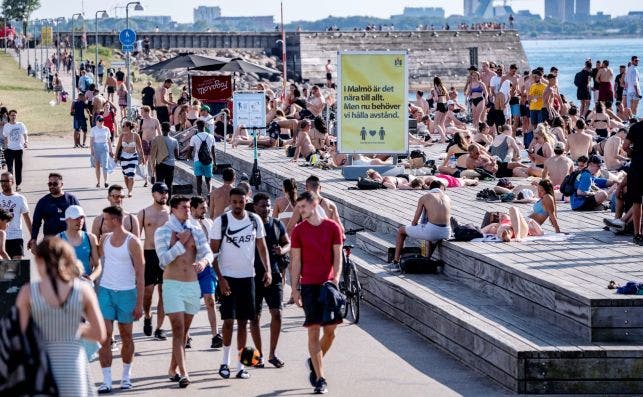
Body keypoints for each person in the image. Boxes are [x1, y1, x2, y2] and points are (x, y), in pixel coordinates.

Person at [15, 237, 106, 397]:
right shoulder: (82, 290)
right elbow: (99, 334)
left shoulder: (28, 292)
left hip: (41, 368)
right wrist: (72, 327)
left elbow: (20, 335)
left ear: (39, 260)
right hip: (73, 365)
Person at [210, 188, 271, 380]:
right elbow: (212, 254)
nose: (237, 205)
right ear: (230, 201)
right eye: (234, 202)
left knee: (244, 322)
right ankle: (224, 363)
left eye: (241, 202)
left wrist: (268, 270)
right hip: (227, 278)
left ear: (246, 201)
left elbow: (262, 247)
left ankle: (241, 366)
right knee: (228, 322)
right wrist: (220, 278)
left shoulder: (254, 220)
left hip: (248, 278)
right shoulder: (221, 222)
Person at [155, 195, 214, 387]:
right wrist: (181, 244)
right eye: (183, 207)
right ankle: (184, 373)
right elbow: (163, 260)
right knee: (178, 329)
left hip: (192, 285)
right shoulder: (163, 231)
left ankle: (172, 368)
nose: (188, 210)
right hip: (172, 284)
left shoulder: (195, 228)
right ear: (173, 209)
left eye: (189, 207)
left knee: (184, 332)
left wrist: (204, 262)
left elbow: (207, 251)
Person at [289, 191, 343, 394]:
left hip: (328, 285)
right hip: (309, 285)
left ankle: (313, 361)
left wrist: (336, 278)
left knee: (331, 332)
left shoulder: (332, 227)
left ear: (314, 205)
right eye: (298, 207)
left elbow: (338, 256)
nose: (300, 210)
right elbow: (296, 261)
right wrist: (295, 288)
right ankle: (320, 379)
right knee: (313, 330)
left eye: (303, 206)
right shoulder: (298, 231)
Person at [96, 205, 145, 393]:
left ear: (115, 220)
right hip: (106, 291)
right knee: (105, 337)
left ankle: (126, 377)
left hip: (127, 293)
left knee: (126, 336)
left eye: (105, 219)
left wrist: (139, 303)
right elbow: (97, 262)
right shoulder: (105, 239)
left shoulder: (133, 242)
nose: (103, 222)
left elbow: (140, 274)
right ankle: (106, 381)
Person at [250, 193, 290, 368]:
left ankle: (272, 353)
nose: (266, 209)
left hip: (274, 275)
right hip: (252, 276)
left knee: (277, 314)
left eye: (268, 205)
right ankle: (258, 355)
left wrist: (282, 250)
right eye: (262, 205)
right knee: (255, 317)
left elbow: (287, 243)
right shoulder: (248, 225)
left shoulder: (276, 224)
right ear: (254, 207)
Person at [188, 196, 223, 349]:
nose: (205, 210)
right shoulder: (187, 225)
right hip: (191, 268)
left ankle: (215, 335)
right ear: (193, 209)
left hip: (207, 266)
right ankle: (186, 336)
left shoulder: (209, 222)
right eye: (202, 208)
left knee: (210, 299)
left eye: (205, 207)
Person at [137, 182, 171, 340]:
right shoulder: (144, 213)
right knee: (148, 293)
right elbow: (136, 239)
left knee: (164, 293)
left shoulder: (171, 213)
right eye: (160, 192)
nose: (164, 195)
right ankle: (148, 316)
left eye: (166, 192)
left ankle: (159, 328)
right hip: (149, 255)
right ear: (153, 194)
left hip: (166, 256)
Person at [392, 181, 451, 264]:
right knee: (430, 229)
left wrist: (415, 225)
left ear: (431, 188)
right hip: (446, 232)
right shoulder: (447, 198)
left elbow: (415, 221)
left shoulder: (425, 197)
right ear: (442, 188)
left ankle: (395, 261)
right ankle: (427, 259)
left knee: (401, 231)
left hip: (432, 232)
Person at [29, 173, 80, 251]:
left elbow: (80, 220)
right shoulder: (43, 202)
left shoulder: (71, 199)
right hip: (50, 243)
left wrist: (84, 240)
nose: (52, 186)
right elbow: (36, 223)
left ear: (62, 184)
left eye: (55, 184)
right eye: (50, 184)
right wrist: (33, 240)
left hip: (69, 242)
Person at [58, 205, 101, 282]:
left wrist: (91, 278)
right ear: (67, 220)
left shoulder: (91, 238)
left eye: (81, 218)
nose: (80, 221)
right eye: (76, 218)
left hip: (86, 286)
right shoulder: (58, 239)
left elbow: (98, 266)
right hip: (66, 286)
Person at [0, 171, 32, 259]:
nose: (3, 183)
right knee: (4, 270)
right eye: (1, 181)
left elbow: (27, 219)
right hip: (1, 237)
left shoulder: (20, 198)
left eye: (6, 181)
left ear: (13, 182)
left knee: (17, 268)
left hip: (16, 237)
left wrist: (33, 237)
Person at [623, 120, 643, 245]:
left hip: (637, 166)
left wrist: (632, 154)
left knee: (637, 201)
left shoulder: (636, 127)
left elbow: (625, 146)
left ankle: (637, 234)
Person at [114, 120, 145, 197]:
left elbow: (140, 148)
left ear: (128, 127)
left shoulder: (136, 135)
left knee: (131, 174)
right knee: (125, 176)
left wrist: (143, 158)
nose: (122, 127)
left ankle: (130, 191)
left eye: (124, 126)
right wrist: (115, 157)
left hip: (133, 157)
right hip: (123, 157)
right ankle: (128, 189)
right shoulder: (122, 135)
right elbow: (118, 147)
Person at [150, 122, 179, 199]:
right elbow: (177, 155)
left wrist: (152, 172)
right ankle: (168, 202)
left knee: (159, 184)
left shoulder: (157, 139)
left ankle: (160, 200)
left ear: (162, 130)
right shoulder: (174, 141)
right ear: (169, 130)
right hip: (171, 165)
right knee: (169, 184)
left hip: (160, 165)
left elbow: (153, 155)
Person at [189, 120, 216, 197]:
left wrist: (188, 157)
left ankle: (199, 196)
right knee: (209, 179)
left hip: (197, 160)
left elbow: (190, 150)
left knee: (199, 180)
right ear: (205, 126)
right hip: (208, 161)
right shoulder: (211, 136)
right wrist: (215, 163)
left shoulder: (194, 137)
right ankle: (209, 193)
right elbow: (213, 151)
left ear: (197, 127)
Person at [2, 109, 28, 191]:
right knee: (10, 169)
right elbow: (5, 137)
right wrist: (5, 147)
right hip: (9, 150)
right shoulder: (6, 126)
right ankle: (10, 185)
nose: (13, 117)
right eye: (12, 115)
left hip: (19, 149)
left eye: (15, 115)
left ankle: (18, 185)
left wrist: (26, 142)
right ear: (9, 116)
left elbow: (25, 134)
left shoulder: (20, 125)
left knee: (18, 168)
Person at [139, 106, 162, 187]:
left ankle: (153, 176)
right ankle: (145, 180)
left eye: (142, 112)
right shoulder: (141, 121)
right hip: (144, 142)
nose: (141, 114)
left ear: (147, 112)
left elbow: (159, 133)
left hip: (153, 142)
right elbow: (139, 133)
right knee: (144, 161)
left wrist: (160, 143)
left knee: (153, 162)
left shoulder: (155, 120)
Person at [90, 115, 113, 188]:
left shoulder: (106, 129)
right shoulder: (93, 129)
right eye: (100, 120)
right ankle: (98, 182)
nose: (101, 122)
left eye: (102, 120)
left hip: (104, 147)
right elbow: (91, 141)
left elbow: (109, 140)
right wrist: (92, 150)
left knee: (105, 165)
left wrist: (111, 150)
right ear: (96, 121)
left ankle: (106, 181)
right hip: (96, 147)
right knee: (97, 166)